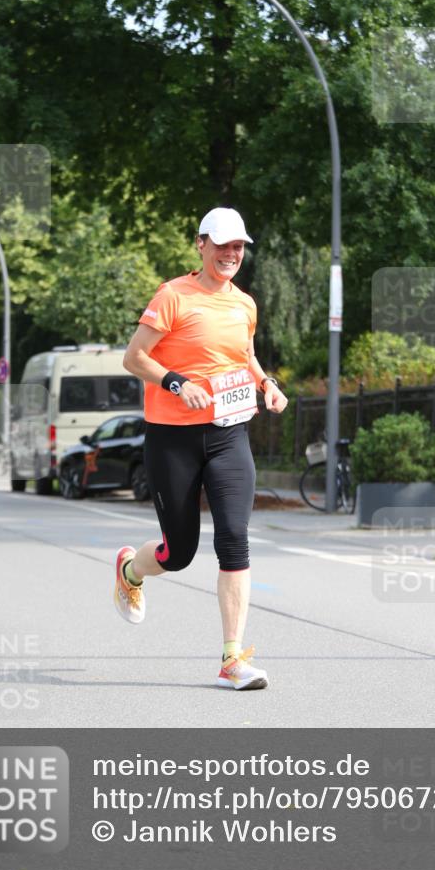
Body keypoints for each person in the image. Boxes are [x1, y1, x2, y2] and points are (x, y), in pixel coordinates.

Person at [115, 208, 288, 690]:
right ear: (201, 244)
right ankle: (130, 569)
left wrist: (267, 384)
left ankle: (233, 658)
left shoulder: (245, 304)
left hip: (229, 434)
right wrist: (177, 382)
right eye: (223, 245)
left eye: (239, 247)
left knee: (234, 538)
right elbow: (134, 357)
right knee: (179, 553)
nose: (231, 254)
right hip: (173, 438)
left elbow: (245, 355)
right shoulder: (173, 296)